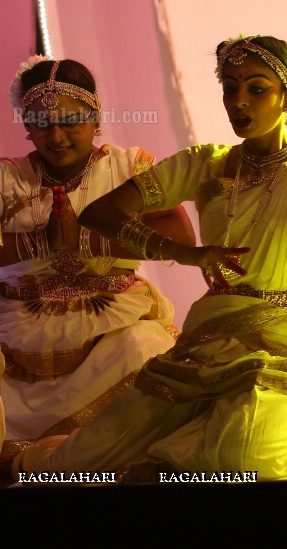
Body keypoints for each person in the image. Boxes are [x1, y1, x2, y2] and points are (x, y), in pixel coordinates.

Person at [7, 36, 287, 482]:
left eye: (257, 88)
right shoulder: (207, 163)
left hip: (283, 339)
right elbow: (100, 213)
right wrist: (186, 254)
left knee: (246, 450)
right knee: (76, 465)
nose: (240, 102)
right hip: (206, 340)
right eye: (230, 88)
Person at [1, 57, 192, 456]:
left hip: (111, 326)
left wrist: (85, 239)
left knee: (146, 350)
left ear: (95, 117)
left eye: (70, 122)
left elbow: (180, 235)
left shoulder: (127, 169)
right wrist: (42, 243)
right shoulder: (8, 178)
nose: (57, 137)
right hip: (16, 329)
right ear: (27, 126)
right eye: (41, 123)